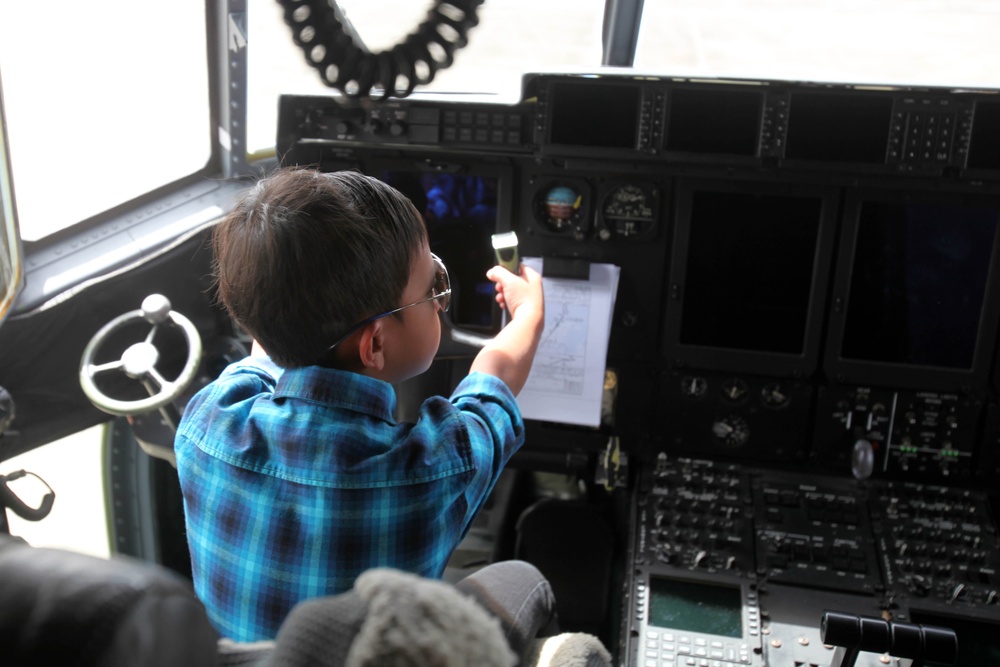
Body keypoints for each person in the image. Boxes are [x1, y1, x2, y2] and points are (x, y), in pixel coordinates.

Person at [174, 167, 546, 644]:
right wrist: (530, 316)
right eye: (432, 289)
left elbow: (263, 350)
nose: (438, 300)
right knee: (527, 580)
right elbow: (496, 374)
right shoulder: (433, 469)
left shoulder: (206, 420)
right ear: (374, 345)